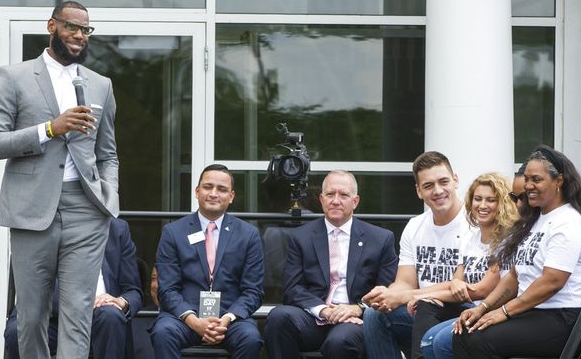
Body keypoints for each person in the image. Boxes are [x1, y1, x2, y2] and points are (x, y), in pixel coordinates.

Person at [0, 0, 119, 359]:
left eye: (86, 30)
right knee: (31, 316)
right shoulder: (14, 76)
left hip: (86, 210)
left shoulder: (100, 85)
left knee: (78, 314)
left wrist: (109, 194)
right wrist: (48, 129)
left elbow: (108, 153)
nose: (79, 36)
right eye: (72, 27)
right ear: (51, 25)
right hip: (31, 209)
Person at [452, 145, 581, 359]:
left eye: (536, 179)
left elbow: (552, 281)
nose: (528, 186)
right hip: (535, 312)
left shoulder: (567, 222)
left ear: (558, 181)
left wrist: (503, 312)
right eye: (526, 179)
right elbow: (514, 276)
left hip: (563, 318)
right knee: (466, 332)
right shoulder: (536, 220)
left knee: (478, 340)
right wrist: (483, 308)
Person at [264, 170, 398, 359]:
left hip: (353, 320)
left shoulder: (380, 239)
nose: (336, 200)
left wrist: (358, 308)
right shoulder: (300, 237)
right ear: (321, 199)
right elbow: (292, 289)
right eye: (330, 194)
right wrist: (324, 310)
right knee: (279, 317)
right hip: (314, 317)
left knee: (340, 341)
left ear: (355, 201)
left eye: (343, 195)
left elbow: (387, 289)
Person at [362, 151, 470, 359]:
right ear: (419, 191)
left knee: (425, 309)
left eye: (443, 181)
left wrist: (408, 296)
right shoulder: (414, 226)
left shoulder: (474, 223)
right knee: (375, 314)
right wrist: (388, 295)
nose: (438, 191)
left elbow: (460, 287)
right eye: (428, 186)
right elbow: (405, 282)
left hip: (459, 310)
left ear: (456, 180)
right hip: (418, 310)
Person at [151, 164, 264, 359]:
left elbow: (253, 291)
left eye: (222, 189)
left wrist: (227, 319)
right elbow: (167, 289)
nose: (213, 193)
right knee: (163, 332)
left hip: (230, 319)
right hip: (185, 317)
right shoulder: (173, 232)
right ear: (197, 191)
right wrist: (194, 322)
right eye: (207, 187)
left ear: (231, 196)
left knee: (251, 338)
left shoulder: (249, 235)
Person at [406, 173, 518, 359]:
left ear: (503, 204)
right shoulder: (470, 237)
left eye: (491, 200)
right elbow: (457, 282)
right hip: (466, 306)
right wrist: (432, 295)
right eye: (478, 199)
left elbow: (481, 290)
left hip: (489, 309)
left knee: (435, 338)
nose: (482, 205)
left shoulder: (507, 241)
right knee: (427, 306)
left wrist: (425, 293)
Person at [4, 218, 142, 359]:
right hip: (50, 317)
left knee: (111, 316)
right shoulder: (41, 224)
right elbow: (32, 285)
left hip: (99, 315)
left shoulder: (117, 229)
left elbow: (134, 291)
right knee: (18, 331)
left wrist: (121, 301)